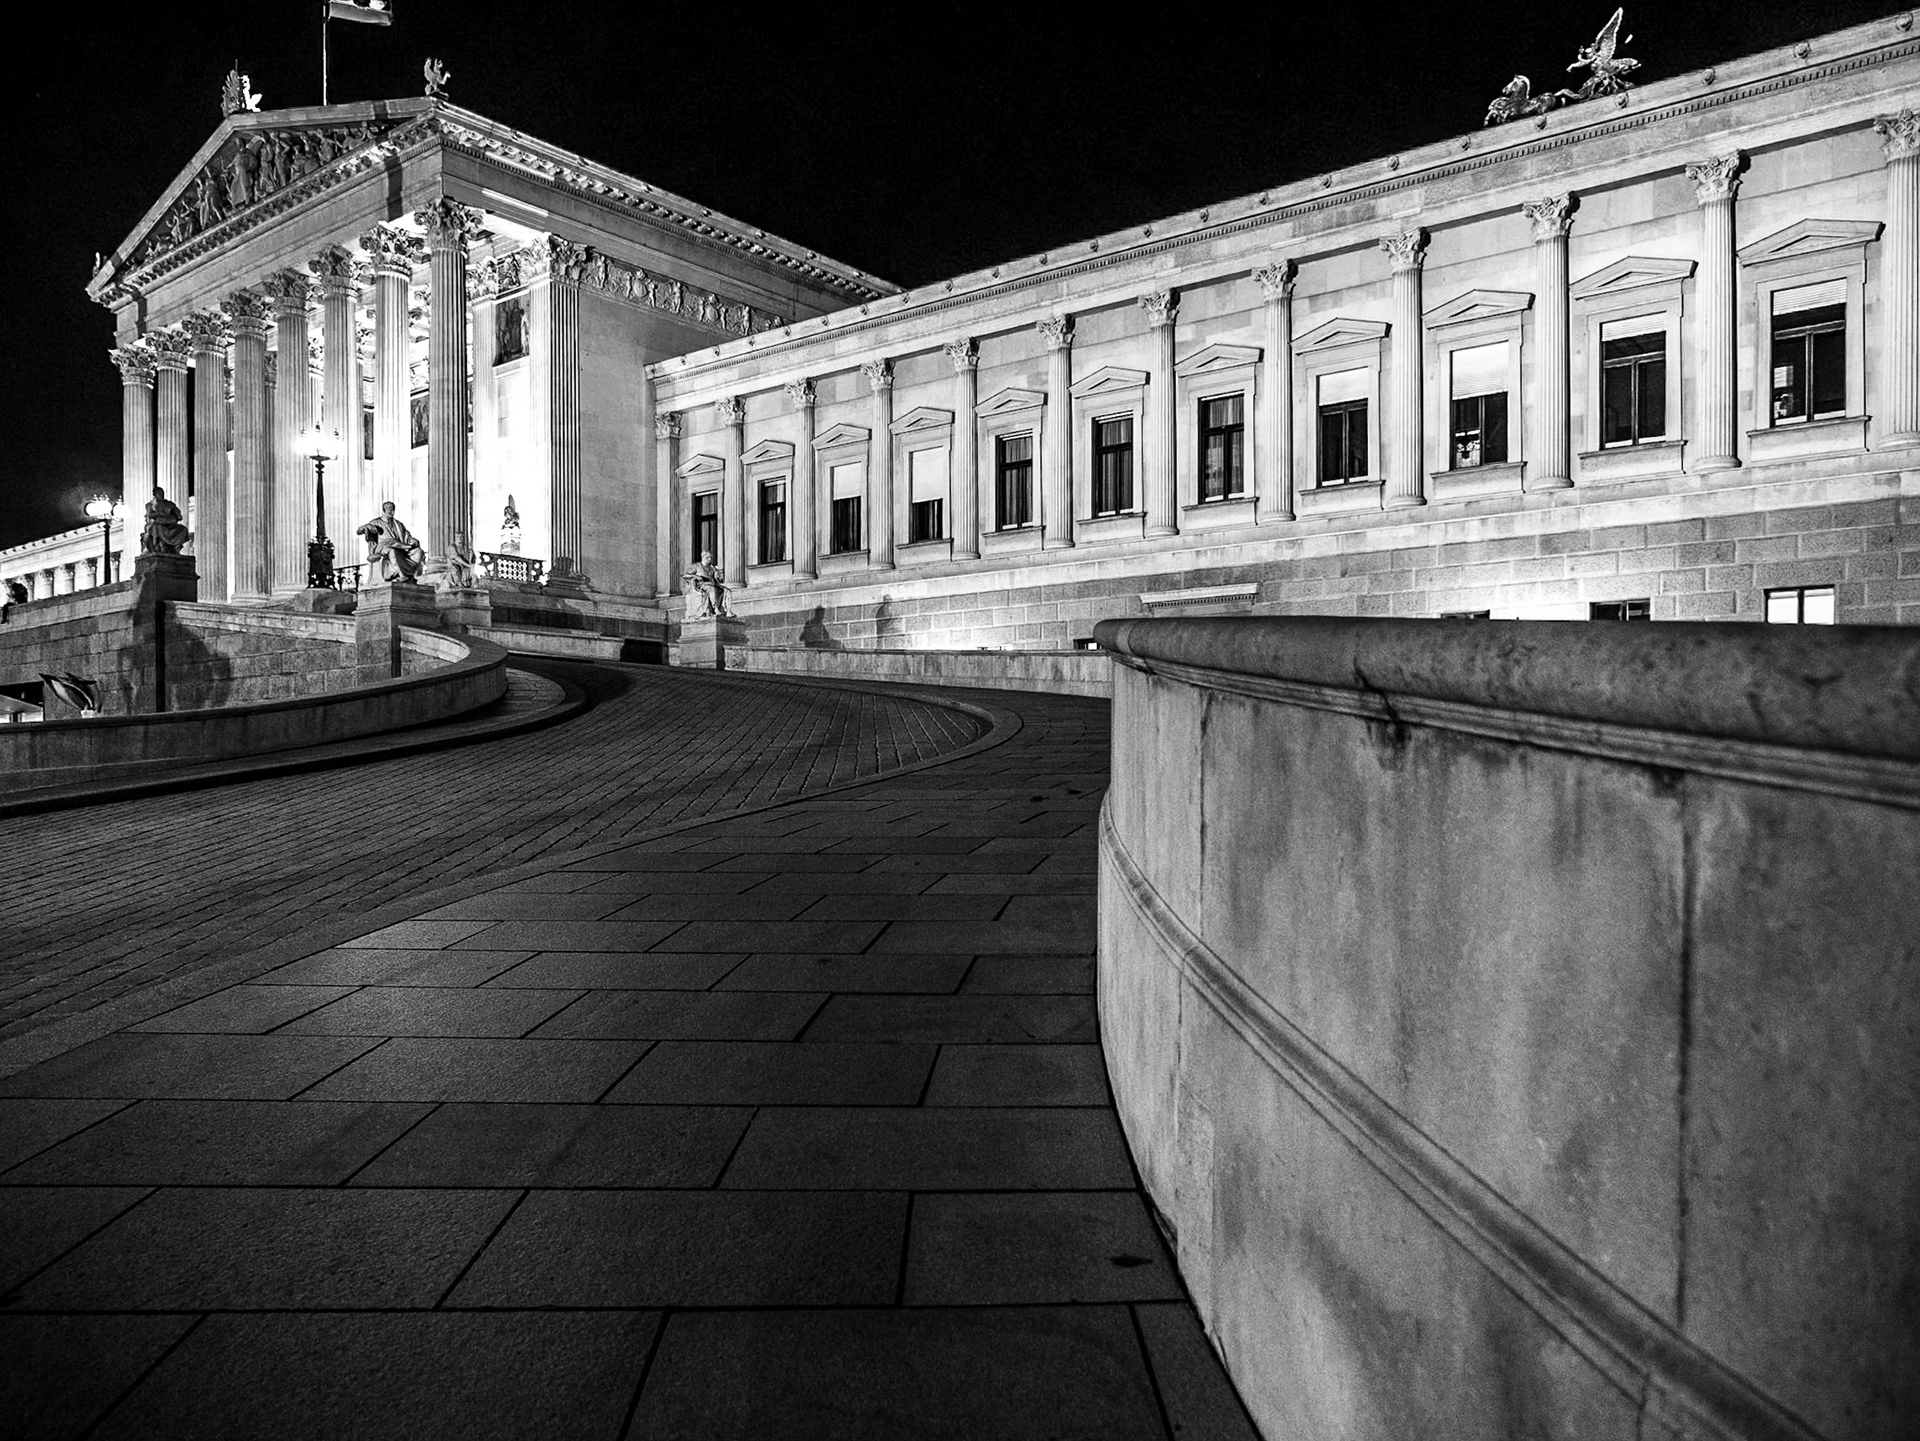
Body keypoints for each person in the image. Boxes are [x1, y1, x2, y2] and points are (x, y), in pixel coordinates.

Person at [356, 501, 426, 584]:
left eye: (393, 509)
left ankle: (410, 574)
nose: (392, 512)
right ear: (384, 510)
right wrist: (364, 528)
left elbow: (407, 537)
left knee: (418, 551)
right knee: (391, 550)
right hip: (383, 547)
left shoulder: (398, 524)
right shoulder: (376, 523)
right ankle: (401, 575)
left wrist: (412, 540)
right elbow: (359, 531)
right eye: (389, 509)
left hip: (400, 548)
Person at [140, 486, 191, 555]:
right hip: (157, 524)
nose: (161, 495)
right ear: (154, 495)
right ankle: (158, 547)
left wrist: (173, 514)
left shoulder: (169, 504)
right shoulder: (150, 505)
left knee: (183, 529)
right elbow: (150, 515)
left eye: (162, 493)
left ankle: (175, 547)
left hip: (169, 524)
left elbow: (179, 517)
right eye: (159, 493)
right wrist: (162, 515)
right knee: (156, 527)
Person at [683, 550, 733, 618]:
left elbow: (717, 580)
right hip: (701, 584)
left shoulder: (711, 568)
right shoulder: (697, 566)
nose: (710, 559)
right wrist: (695, 576)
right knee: (712, 589)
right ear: (703, 557)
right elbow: (685, 575)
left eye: (711, 558)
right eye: (708, 557)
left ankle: (728, 611)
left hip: (712, 583)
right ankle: (715, 608)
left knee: (727, 590)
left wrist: (717, 576)